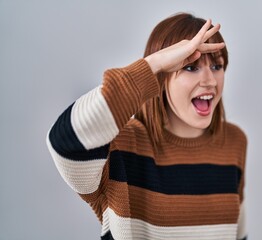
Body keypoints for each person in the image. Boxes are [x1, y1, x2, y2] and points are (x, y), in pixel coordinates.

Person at [46, 12, 248, 240]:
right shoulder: (120, 148)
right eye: (191, 67)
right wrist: (154, 63)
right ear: (163, 74)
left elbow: (237, 233)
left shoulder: (234, 141)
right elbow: (63, 141)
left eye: (217, 66)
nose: (210, 81)